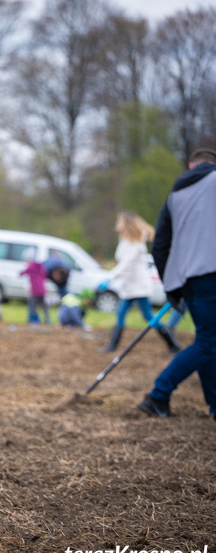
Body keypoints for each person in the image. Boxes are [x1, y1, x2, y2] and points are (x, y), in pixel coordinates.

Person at [138, 148, 216, 419]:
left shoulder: (174, 196)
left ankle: (214, 405)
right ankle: (159, 393)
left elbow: (159, 246)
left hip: (188, 280)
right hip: (211, 276)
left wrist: (171, 286)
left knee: (207, 340)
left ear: (192, 166)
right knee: (208, 342)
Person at [99, 210, 180, 354]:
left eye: (119, 220)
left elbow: (126, 264)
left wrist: (109, 278)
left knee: (148, 316)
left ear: (127, 223)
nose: (117, 223)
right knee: (121, 313)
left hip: (139, 287)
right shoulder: (124, 241)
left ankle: (172, 343)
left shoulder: (136, 244)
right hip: (128, 286)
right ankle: (112, 346)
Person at [20, 250, 50, 325]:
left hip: (35, 290)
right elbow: (45, 275)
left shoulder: (31, 267)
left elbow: (21, 273)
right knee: (43, 305)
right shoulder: (40, 267)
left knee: (33, 305)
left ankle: (34, 320)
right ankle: (47, 319)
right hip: (42, 290)